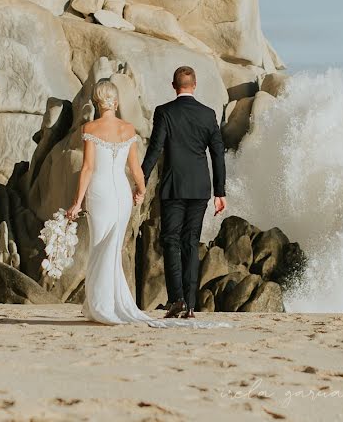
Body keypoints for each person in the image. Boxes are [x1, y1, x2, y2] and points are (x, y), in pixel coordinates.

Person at [66, 78, 226, 328]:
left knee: (102, 246)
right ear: (116, 101)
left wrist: (76, 202)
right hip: (128, 191)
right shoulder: (130, 129)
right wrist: (140, 189)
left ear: (97, 102)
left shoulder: (90, 128)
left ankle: (106, 304)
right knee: (120, 247)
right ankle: (184, 304)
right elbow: (136, 168)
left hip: (105, 192)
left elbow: (88, 168)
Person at [141, 66, 227, 319]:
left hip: (174, 186)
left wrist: (141, 179)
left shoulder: (165, 112)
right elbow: (217, 154)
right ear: (195, 84)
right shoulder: (208, 114)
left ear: (173, 85)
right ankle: (190, 304)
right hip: (200, 187)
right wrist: (220, 191)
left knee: (170, 240)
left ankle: (176, 299)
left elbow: (155, 149)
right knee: (191, 241)